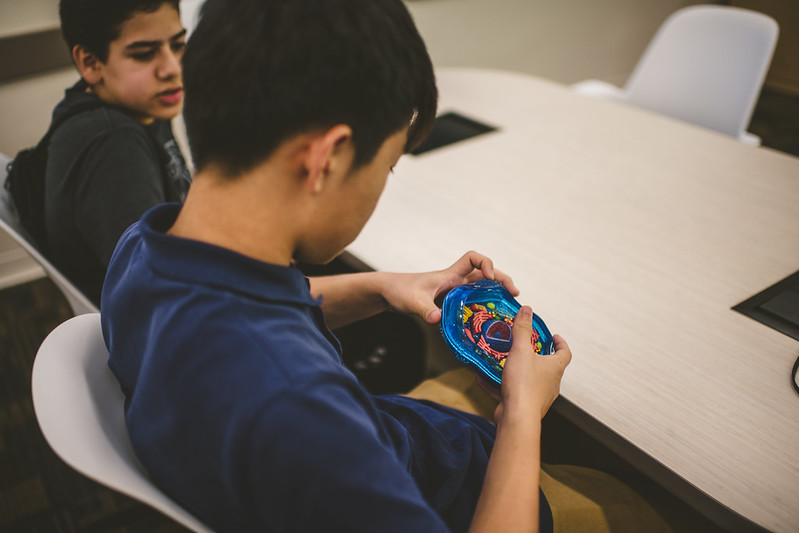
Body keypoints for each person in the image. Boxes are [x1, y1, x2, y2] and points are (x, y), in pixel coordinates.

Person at [101, 0, 676, 531]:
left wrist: (383, 286)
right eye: (388, 168)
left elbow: (258, 307)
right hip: (452, 499)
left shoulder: (144, 249)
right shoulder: (296, 406)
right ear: (327, 159)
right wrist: (522, 416)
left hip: (385, 441)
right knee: (648, 510)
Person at [45, 0, 191, 306]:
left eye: (178, 45)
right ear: (90, 62)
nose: (172, 68)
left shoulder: (143, 106)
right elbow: (164, 295)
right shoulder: (111, 143)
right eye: (144, 54)